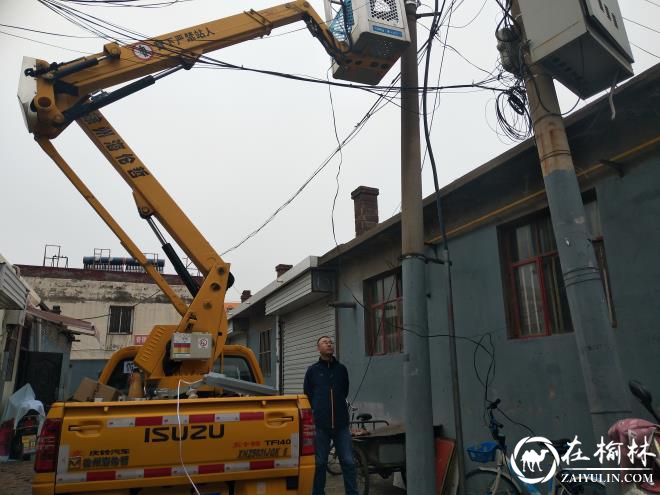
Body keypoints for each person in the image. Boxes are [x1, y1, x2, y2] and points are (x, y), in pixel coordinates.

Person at [303, 336, 358, 495]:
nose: (329, 344)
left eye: (330, 342)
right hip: (320, 425)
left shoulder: (341, 369)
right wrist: (318, 411)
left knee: (348, 462)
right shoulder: (312, 371)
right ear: (318, 349)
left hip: (341, 425)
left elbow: (344, 391)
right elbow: (308, 394)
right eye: (324, 342)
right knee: (319, 463)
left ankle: (352, 492)